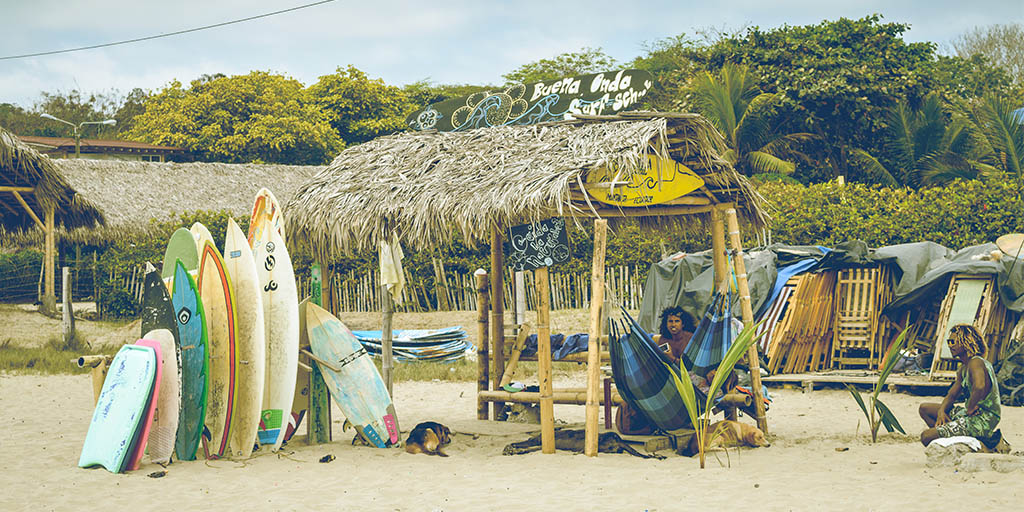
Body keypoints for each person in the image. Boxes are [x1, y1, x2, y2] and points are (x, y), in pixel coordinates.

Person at [919, 324, 1004, 447]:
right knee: (924, 408)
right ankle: (952, 437)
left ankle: (958, 439)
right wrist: (942, 412)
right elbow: (952, 395)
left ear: (966, 342)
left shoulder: (976, 362)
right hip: (969, 414)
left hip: (983, 419)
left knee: (926, 436)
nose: (950, 346)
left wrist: (971, 406)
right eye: (948, 342)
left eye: (953, 342)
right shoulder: (963, 369)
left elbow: (979, 386)